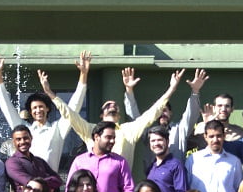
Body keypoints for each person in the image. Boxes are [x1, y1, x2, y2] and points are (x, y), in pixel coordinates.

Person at [45, 67, 185, 165]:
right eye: (107, 105)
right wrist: (51, 94)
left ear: (118, 115)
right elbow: (70, 115)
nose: (112, 106)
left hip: (121, 191)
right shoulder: (90, 130)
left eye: (115, 106)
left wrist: (172, 88)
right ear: (101, 114)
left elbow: (152, 113)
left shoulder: (128, 130)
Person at [0, 49, 90, 172]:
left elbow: (74, 107)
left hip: (51, 185)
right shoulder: (25, 129)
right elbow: (7, 107)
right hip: (29, 186)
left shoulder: (57, 129)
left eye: (41, 106)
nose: (38, 110)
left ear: (47, 108)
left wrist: (83, 75)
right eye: (34, 108)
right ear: (31, 112)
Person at [67, 121, 134, 192]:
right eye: (108, 137)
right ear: (97, 137)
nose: (112, 141)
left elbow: (128, 188)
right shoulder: (79, 160)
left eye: (114, 138)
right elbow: (70, 188)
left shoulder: (120, 162)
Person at [186, 119, 243, 192]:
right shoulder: (193, 159)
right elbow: (187, 186)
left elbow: (238, 189)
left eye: (218, 136)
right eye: (211, 136)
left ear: (224, 136)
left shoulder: (234, 161)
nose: (215, 140)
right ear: (205, 137)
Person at [4, 124, 63, 192]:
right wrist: (49, 183)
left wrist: (44, 183)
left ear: (31, 138)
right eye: (18, 139)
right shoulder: (12, 163)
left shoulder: (39, 160)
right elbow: (31, 183)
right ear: (13, 142)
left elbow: (58, 180)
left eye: (25, 138)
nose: (22, 142)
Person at [144, 125, 186, 192]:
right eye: (153, 141)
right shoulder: (151, 167)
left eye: (159, 140)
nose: (156, 143)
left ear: (167, 141)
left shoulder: (176, 165)